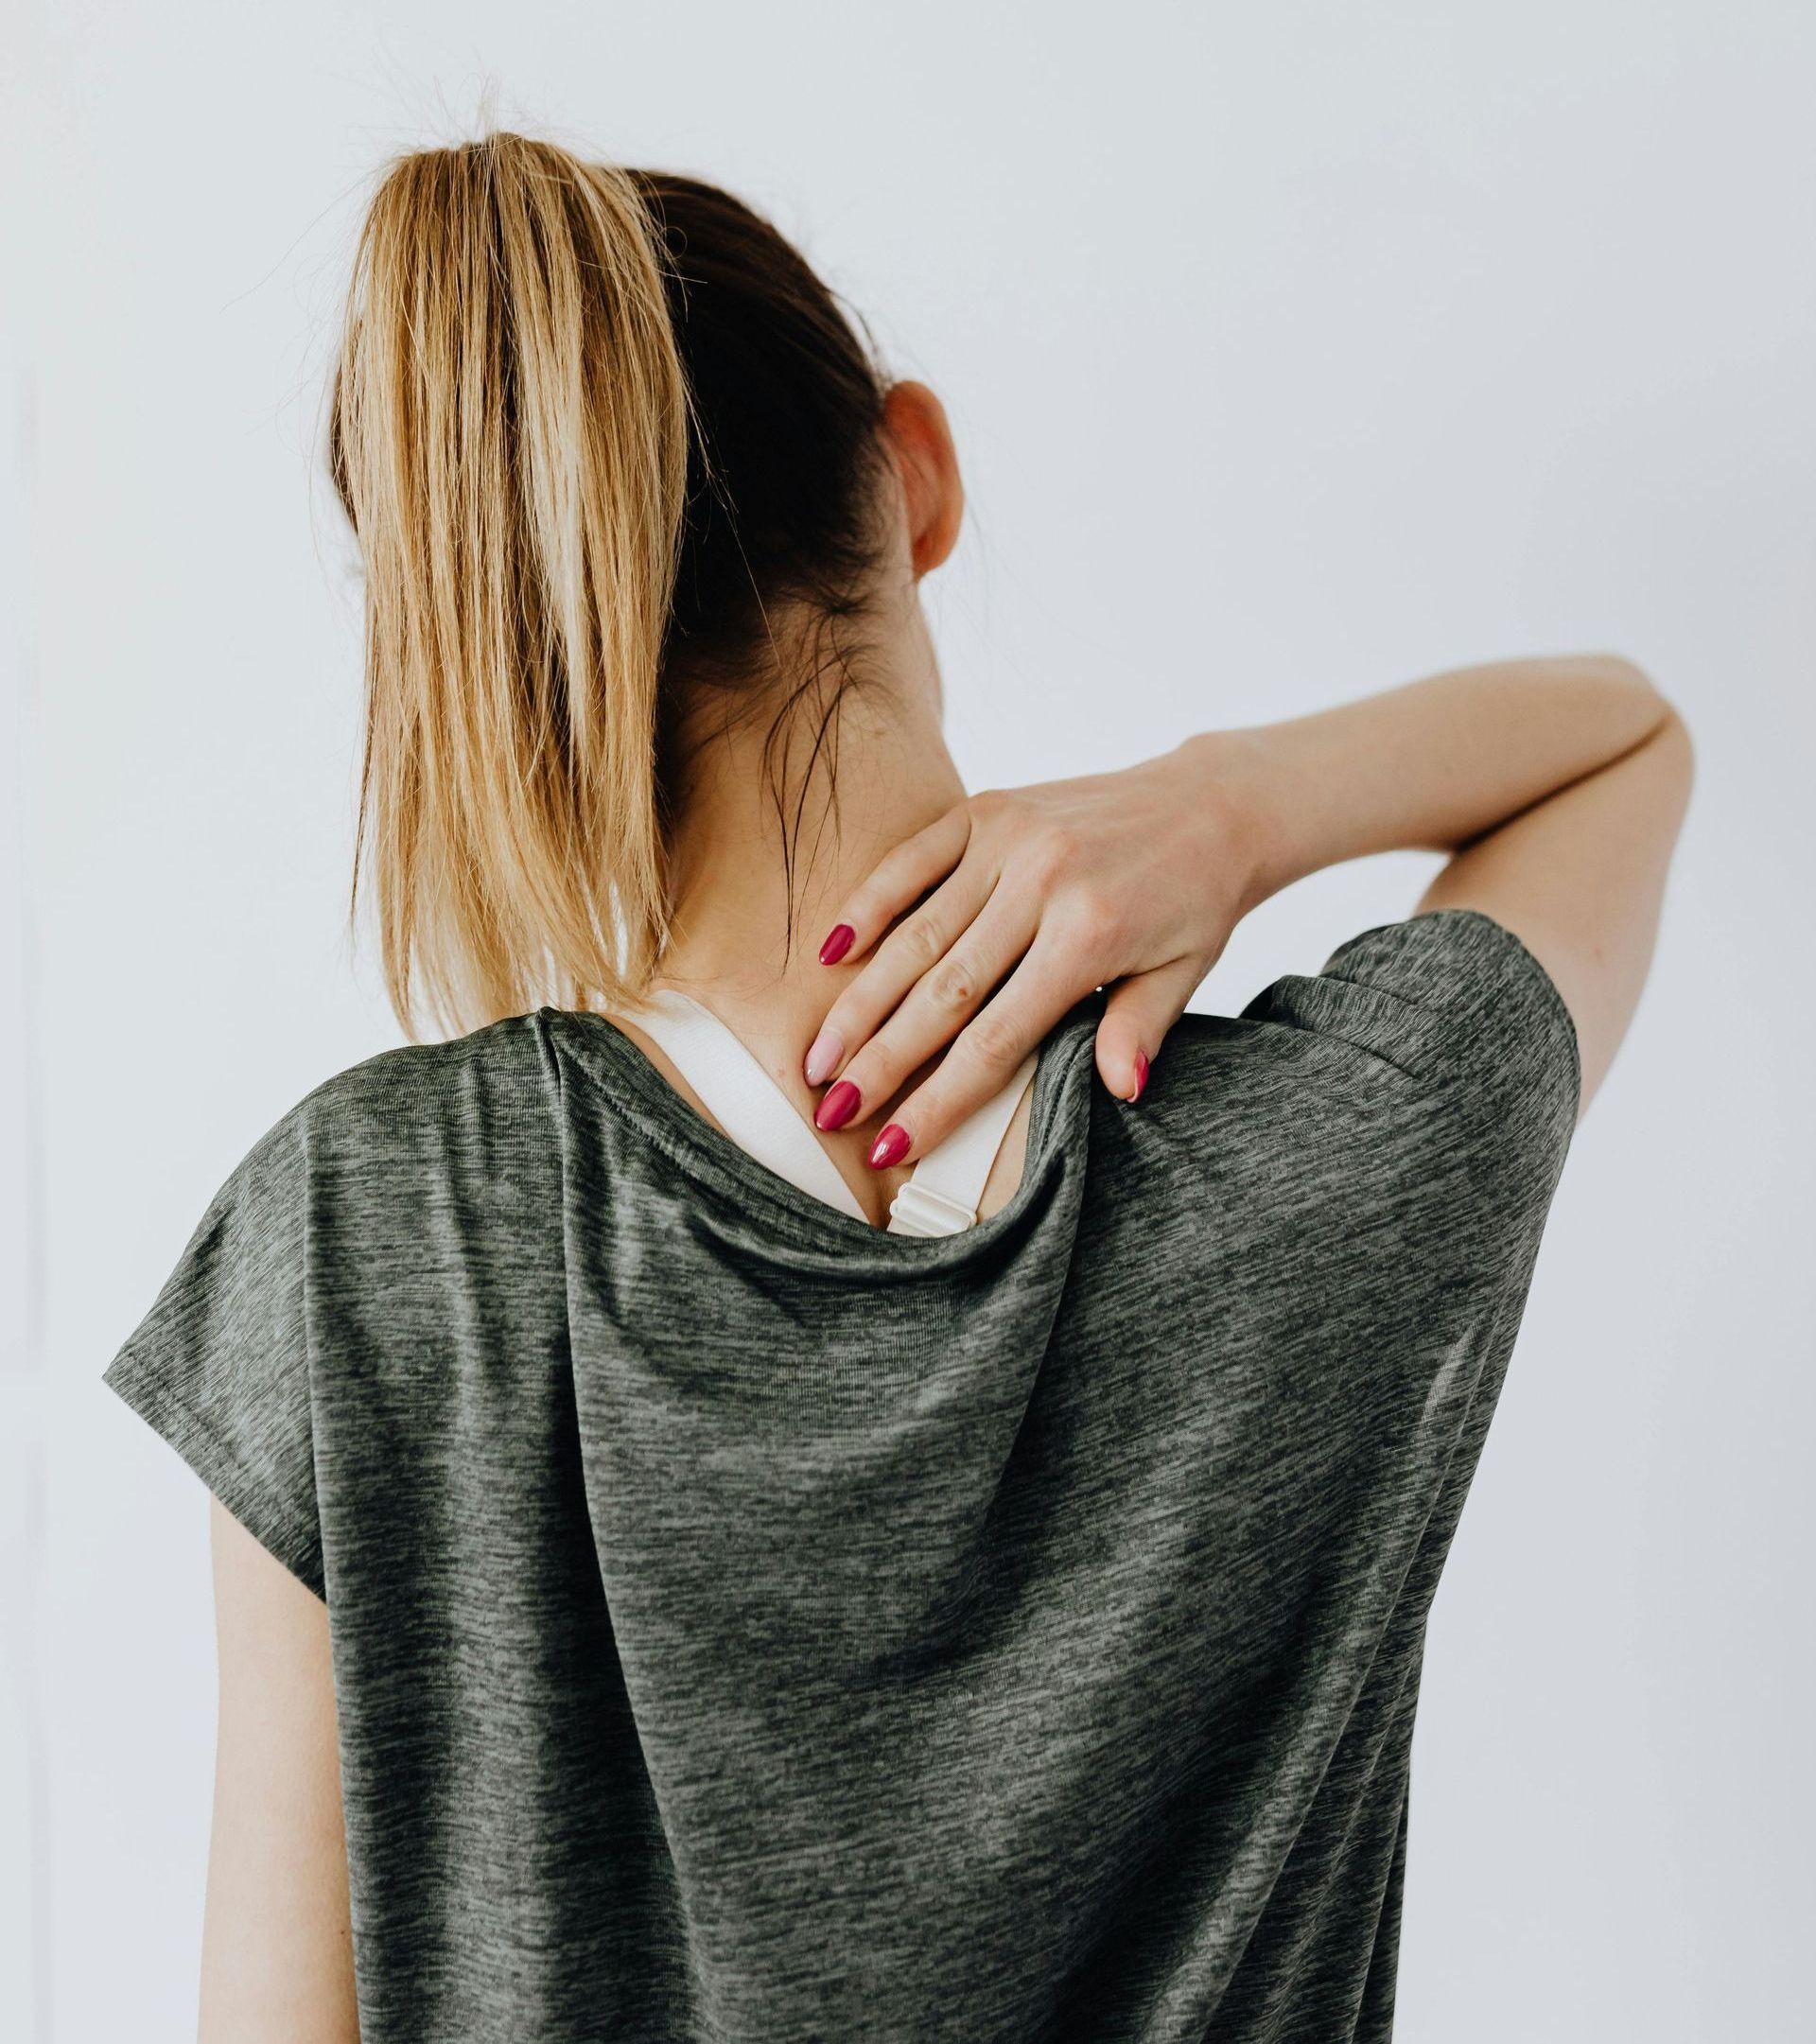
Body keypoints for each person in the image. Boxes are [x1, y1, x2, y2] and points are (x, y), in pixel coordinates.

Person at [101, 131, 1693, 2043]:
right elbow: (1628, 741)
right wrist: (1233, 803)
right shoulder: (1333, 1171)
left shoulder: (367, 1235)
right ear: (912, 474)